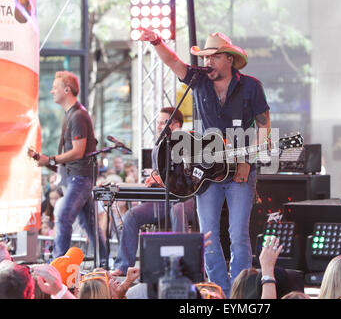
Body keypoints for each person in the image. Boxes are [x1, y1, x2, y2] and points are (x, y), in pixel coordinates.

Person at [140, 29, 272, 296]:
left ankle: (241, 292)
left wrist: (247, 160)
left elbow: (263, 125)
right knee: (208, 237)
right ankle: (219, 291)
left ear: (229, 60)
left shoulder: (251, 86)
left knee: (238, 236)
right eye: (205, 57)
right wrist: (156, 40)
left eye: (214, 57)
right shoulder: (198, 81)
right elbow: (172, 62)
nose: (207, 62)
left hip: (239, 171)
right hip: (206, 173)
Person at [111, 107, 195, 277]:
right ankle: (123, 265)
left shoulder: (188, 143)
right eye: (157, 123)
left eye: (163, 122)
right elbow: (159, 178)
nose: (158, 126)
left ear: (176, 125)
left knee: (177, 211)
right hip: (165, 198)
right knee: (131, 216)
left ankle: (179, 267)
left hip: (188, 198)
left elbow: (189, 177)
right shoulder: (157, 148)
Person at [34, 71, 107, 263]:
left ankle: (58, 264)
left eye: (55, 87)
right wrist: (47, 161)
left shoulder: (77, 116)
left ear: (67, 90)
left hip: (80, 178)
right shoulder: (73, 115)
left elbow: (78, 152)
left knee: (63, 214)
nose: (51, 91)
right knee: (89, 223)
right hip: (79, 177)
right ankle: (105, 262)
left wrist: (50, 159)